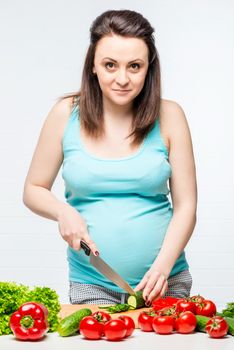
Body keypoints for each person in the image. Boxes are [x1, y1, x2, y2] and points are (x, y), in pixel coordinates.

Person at [23, 9, 197, 306]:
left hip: (164, 282)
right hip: (92, 284)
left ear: (148, 68)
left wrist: (162, 268)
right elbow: (33, 189)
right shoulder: (65, 114)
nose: (122, 78)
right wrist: (63, 212)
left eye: (134, 66)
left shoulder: (170, 116)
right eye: (110, 65)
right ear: (93, 65)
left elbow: (186, 206)